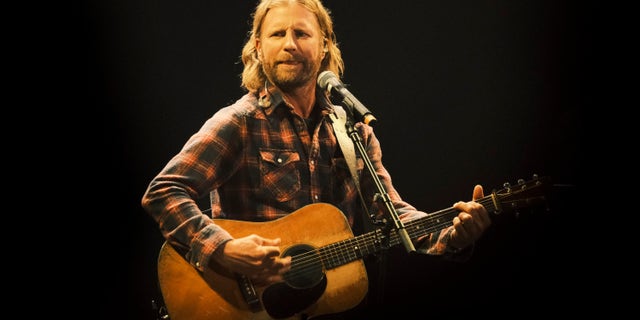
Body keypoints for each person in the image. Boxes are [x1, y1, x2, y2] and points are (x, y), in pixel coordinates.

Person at [141, 0, 491, 318]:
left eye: (301, 33)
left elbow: (392, 216)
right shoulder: (240, 122)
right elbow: (163, 192)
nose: (290, 44)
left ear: (324, 45)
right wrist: (224, 249)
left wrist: (451, 234)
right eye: (278, 34)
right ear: (259, 48)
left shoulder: (353, 132)